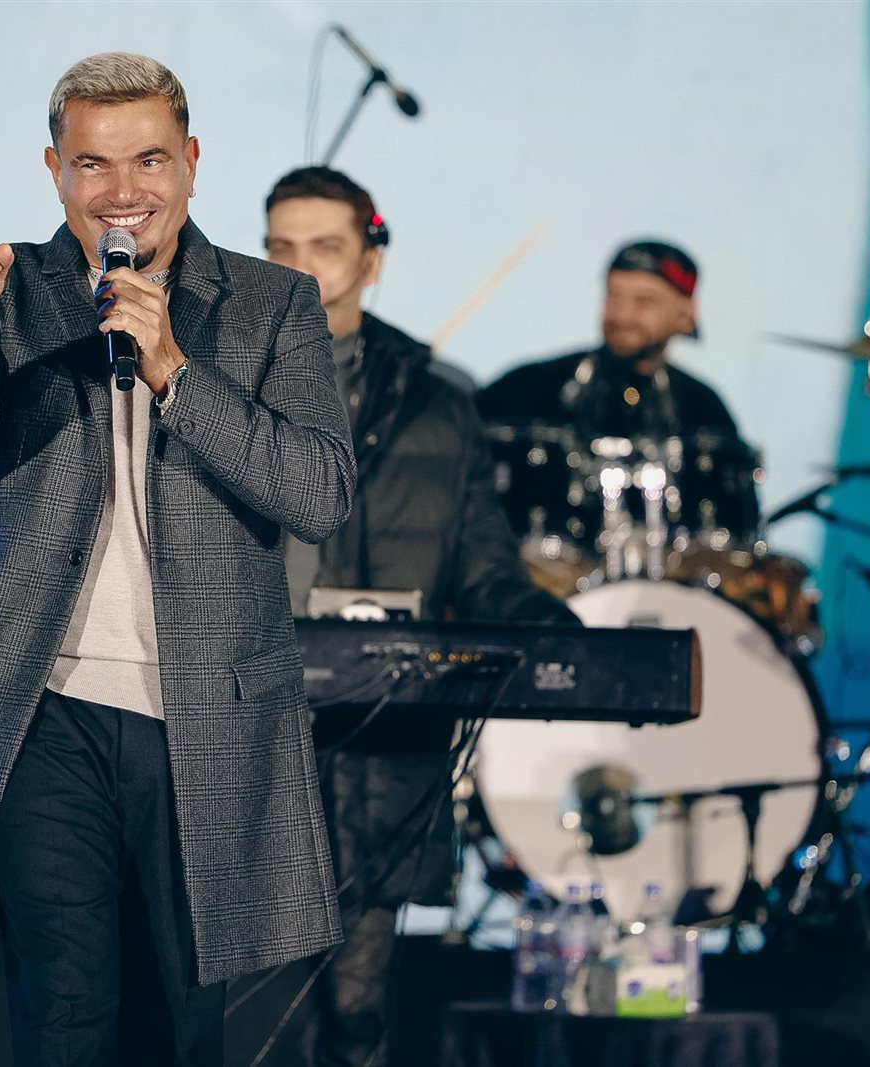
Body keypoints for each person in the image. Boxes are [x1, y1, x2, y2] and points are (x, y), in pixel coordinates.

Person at [0, 54, 356, 1067]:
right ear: (55, 170)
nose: (122, 190)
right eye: (93, 163)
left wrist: (175, 369)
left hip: (204, 712)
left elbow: (319, 491)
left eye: (148, 159)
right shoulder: (7, 286)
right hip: (38, 707)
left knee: (180, 1025)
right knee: (66, 1013)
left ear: (191, 162)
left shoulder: (272, 302)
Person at [263, 166, 576, 1066]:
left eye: (326, 247)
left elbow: (485, 566)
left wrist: (565, 632)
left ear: (371, 260)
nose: (302, 269)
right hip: (247, 726)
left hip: (380, 744)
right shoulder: (211, 377)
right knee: (232, 1001)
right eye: (281, 248)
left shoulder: (438, 403)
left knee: (355, 1006)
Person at [475, 240, 761, 548]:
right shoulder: (526, 389)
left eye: (644, 302)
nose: (621, 315)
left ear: (686, 313)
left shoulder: (704, 410)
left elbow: (731, 540)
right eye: (613, 297)